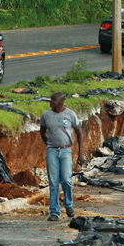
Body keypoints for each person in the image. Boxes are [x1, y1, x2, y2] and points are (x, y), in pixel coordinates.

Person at [40, 92, 85, 221]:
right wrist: (49, 144)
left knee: (66, 179)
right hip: (52, 151)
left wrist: (80, 153)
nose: (51, 101)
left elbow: (79, 132)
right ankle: (54, 212)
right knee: (53, 182)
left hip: (66, 151)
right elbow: (42, 131)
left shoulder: (70, 114)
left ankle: (69, 204)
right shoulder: (46, 115)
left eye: (53, 100)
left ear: (61, 102)